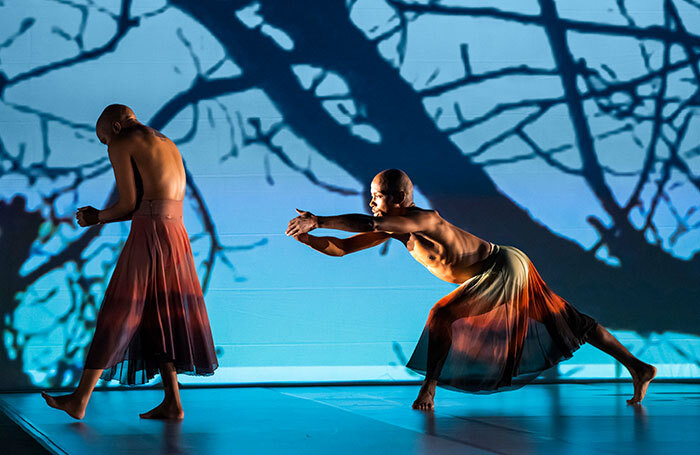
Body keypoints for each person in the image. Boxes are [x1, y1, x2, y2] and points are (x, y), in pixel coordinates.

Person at [286, 169, 656, 410]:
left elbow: (363, 221)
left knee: (442, 315)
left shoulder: (421, 218)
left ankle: (428, 388)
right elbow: (344, 248)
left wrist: (318, 219)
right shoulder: (395, 229)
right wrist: (309, 239)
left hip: (502, 266)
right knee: (569, 320)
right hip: (505, 267)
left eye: (377, 196)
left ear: (399, 198)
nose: (371, 203)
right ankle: (640, 368)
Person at [41, 105, 218, 420]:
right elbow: (145, 201)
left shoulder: (124, 141)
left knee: (119, 309)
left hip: (150, 231)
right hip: (175, 232)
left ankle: (79, 400)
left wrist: (96, 216)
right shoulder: (164, 141)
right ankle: (173, 403)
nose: (108, 147)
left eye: (104, 139)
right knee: (159, 314)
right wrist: (102, 218)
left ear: (116, 128)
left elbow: (127, 203)